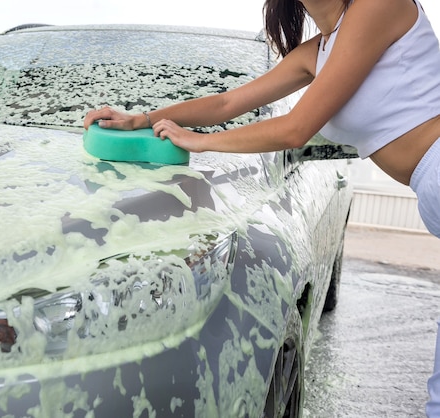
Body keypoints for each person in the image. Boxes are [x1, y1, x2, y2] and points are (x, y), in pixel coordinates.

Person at [83, 0, 440, 414]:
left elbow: (295, 128)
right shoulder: (317, 53)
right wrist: (142, 119)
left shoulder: (380, 5)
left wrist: (200, 141)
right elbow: (225, 104)